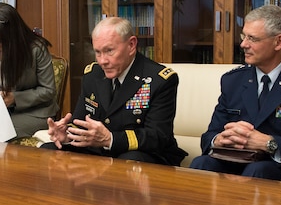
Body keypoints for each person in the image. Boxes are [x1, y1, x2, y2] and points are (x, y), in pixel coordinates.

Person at [190, 5, 281, 182]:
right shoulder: (233, 80)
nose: (243, 44)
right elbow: (209, 136)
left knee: (259, 170)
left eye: (252, 38)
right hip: (235, 161)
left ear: (278, 42)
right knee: (201, 164)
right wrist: (218, 140)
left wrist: (269, 144)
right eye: (243, 36)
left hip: (278, 169)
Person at [44, 16, 187, 166]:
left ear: (131, 45)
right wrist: (67, 135)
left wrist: (110, 139)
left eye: (109, 51)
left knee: (128, 162)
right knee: (49, 150)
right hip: (99, 151)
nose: (102, 61)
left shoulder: (159, 80)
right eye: (98, 52)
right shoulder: (93, 75)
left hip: (144, 154)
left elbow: (157, 136)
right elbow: (80, 122)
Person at [0, 2, 58, 144]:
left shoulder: (36, 49)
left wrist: (15, 98)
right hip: (0, 112)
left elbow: (48, 91)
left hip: (34, 113)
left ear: (13, 35)